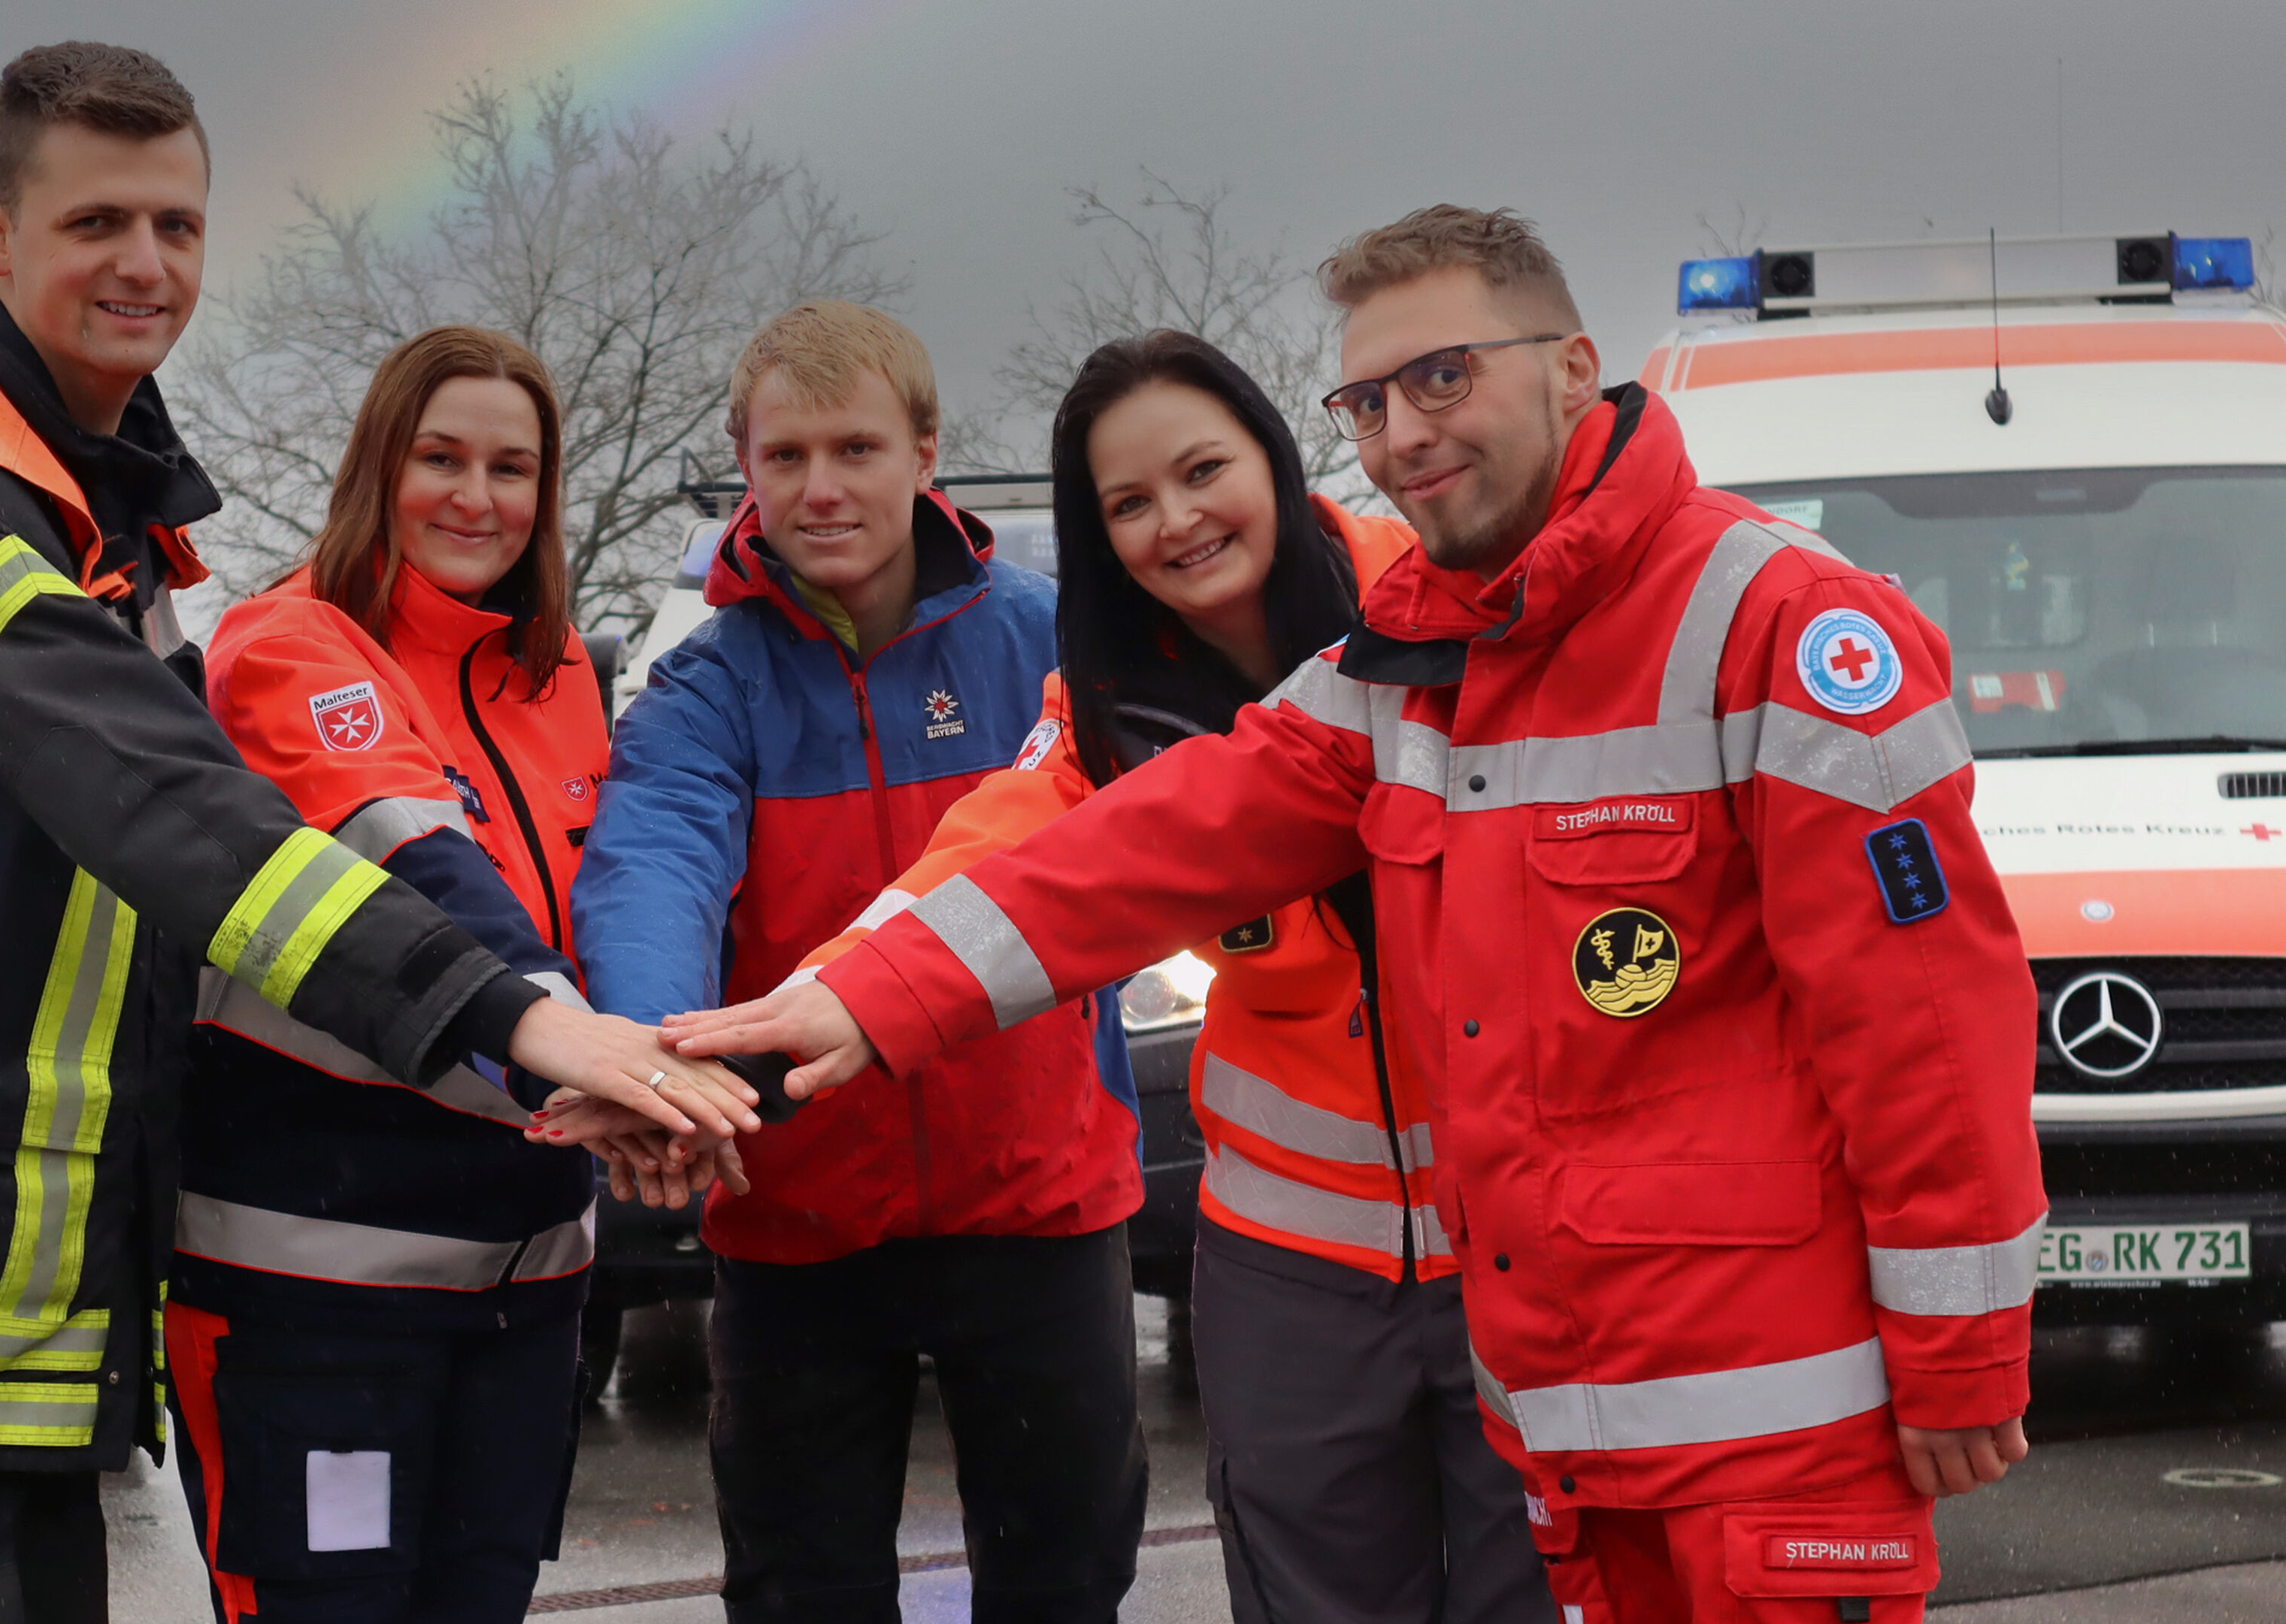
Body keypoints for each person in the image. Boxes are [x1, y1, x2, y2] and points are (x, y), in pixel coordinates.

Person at [662, 207, 2048, 1624]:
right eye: (1371, 400)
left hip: (1758, 1402)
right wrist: (842, 1000)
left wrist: (1962, 1343)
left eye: (1445, 375)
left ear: (1575, 367)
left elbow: (1925, 1023)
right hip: (1519, 1369)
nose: (1405, 428)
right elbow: (1117, 853)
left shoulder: (1782, 622)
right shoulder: (1405, 659)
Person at [0, 46, 752, 1624]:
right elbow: (172, 812)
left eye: (176, 224)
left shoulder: (98, 501)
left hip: (22, 1290)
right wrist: (530, 1025)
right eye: (97, 219)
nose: (145, 263)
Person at [761, 329, 1551, 1624]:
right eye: (1127, 503)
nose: (1176, 522)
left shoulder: (1447, 612)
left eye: (1202, 471)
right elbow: (1006, 845)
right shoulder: (1108, 704)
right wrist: (831, 992)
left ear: (1278, 463)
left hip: (1516, 1229)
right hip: (1295, 1261)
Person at [568, 301, 1150, 1621]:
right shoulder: (706, 682)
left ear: (926, 452)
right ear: (746, 465)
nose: (820, 489)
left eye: (856, 449)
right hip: (800, 1219)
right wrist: (657, 1059)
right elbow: (653, 863)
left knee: (1065, 1585)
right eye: (786, 459)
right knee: (800, 1592)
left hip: (1042, 1206)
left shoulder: (1051, 638)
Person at [162, 325, 719, 1623]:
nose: (478, 498)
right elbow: (424, 878)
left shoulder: (563, 668)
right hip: (317, 1295)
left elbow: (622, 908)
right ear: (378, 466)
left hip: (527, 1289)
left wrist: (666, 1067)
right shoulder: (290, 647)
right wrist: (602, 1060)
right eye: (442, 457)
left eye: (513, 467)